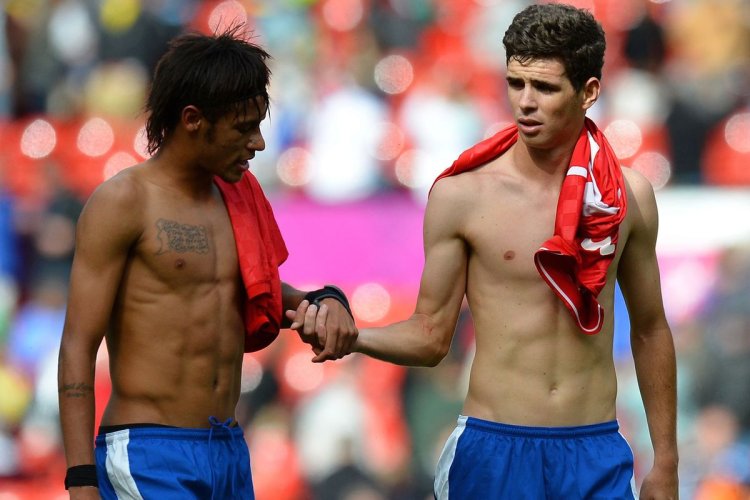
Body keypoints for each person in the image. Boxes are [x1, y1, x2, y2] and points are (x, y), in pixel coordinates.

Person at [298, 4, 678, 499]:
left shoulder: (628, 198)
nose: (525, 102)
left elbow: (650, 329)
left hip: (594, 450)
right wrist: (355, 337)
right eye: (515, 83)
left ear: (588, 92)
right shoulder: (462, 196)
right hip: (493, 450)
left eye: (544, 88)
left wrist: (666, 460)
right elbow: (431, 336)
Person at [57, 28, 357, 500]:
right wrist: (80, 481)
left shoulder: (238, 195)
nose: (258, 143)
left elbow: (259, 295)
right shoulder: (123, 202)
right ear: (193, 119)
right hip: (149, 453)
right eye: (243, 128)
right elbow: (77, 345)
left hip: (228, 451)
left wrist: (325, 299)